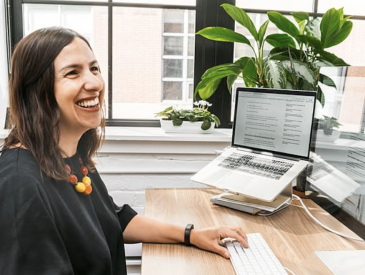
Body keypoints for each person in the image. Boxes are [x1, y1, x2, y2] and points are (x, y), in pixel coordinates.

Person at [0, 26, 248, 274]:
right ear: (35, 92)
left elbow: (113, 219)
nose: (95, 82)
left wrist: (192, 234)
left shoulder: (70, 158)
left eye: (94, 68)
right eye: (72, 73)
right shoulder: (20, 184)